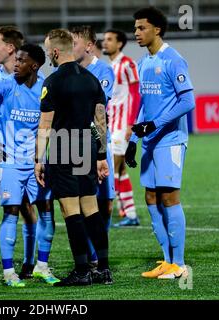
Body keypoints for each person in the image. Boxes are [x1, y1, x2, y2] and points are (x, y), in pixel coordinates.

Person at [0, 43, 58, 287]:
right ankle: (7, 271)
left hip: (37, 162)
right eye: (15, 59)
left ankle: (41, 265)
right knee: (9, 211)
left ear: (35, 66)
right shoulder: (7, 83)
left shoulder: (45, 89)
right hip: (5, 161)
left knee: (46, 211)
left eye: (21, 60)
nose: (15, 64)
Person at [35, 29, 112, 286]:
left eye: (48, 51)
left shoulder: (52, 82)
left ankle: (81, 271)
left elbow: (45, 125)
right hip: (86, 144)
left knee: (70, 211)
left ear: (56, 51)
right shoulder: (91, 79)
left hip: (62, 145)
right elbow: (100, 121)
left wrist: (39, 158)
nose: (48, 55)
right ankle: (102, 268)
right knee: (91, 208)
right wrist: (101, 155)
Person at [126, 7, 195, 279]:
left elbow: (187, 101)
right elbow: (143, 105)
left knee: (169, 197)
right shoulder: (142, 63)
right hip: (150, 142)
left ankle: (179, 264)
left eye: (141, 28)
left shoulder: (173, 59)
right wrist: (133, 139)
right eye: (135, 28)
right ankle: (166, 260)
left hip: (171, 140)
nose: (136, 33)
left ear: (157, 29)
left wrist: (154, 124)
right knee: (151, 196)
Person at [70, 25, 116, 266]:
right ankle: (90, 257)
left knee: (105, 203)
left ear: (88, 46)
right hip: (75, 145)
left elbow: (97, 108)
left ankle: (97, 254)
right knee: (80, 202)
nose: (70, 49)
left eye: (74, 43)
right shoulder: (70, 72)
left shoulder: (104, 71)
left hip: (98, 144)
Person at [102, 29, 141, 227]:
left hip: (121, 126)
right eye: (104, 39)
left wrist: (130, 124)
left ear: (119, 44)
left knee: (113, 171)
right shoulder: (110, 66)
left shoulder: (127, 64)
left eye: (109, 39)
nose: (105, 42)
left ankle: (107, 213)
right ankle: (131, 214)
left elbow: (136, 94)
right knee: (121, 170)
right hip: (112, 125)